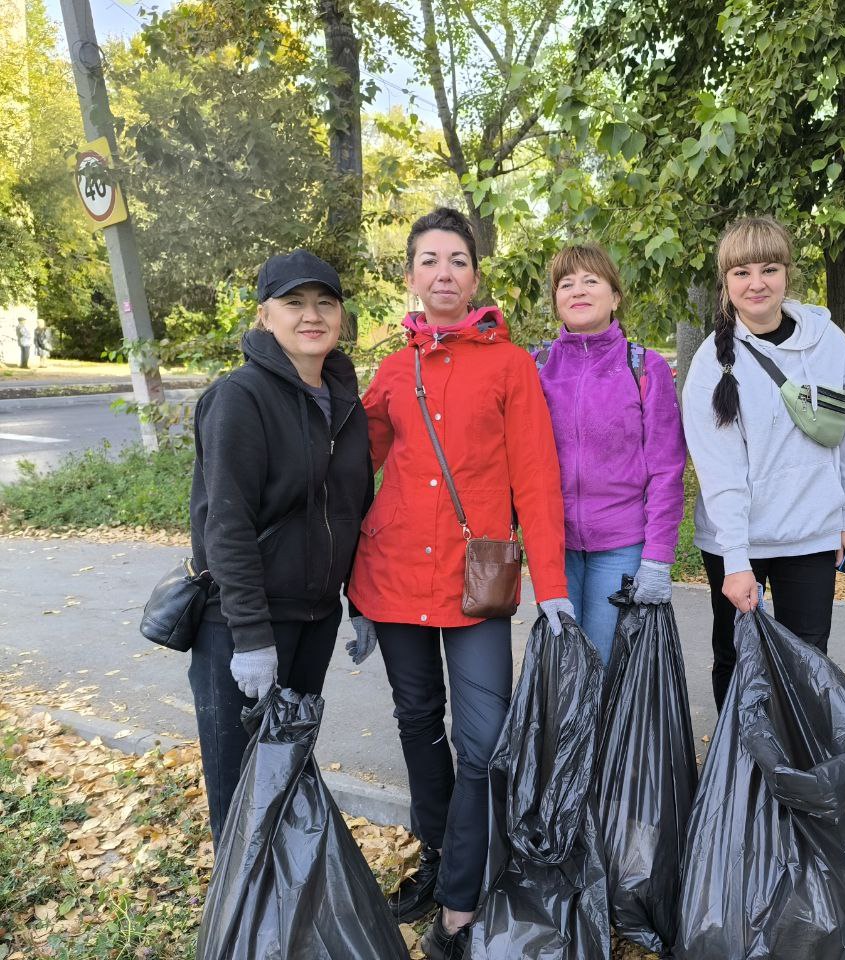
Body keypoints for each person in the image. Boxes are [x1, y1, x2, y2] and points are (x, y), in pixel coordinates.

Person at [342, 207, 572, 959]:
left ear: (476, 277)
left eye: (458, 261)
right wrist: (334, 574)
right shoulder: (391, 367)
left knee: (482, 741)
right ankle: (438, 851)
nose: (444, 273)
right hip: (393, 573)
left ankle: (463, 900)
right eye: (429, 260)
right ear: (410, 275)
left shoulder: (509, 366)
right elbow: (352, 469)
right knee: (417, 722)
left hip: (478, 583)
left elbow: (537, 481)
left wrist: (555, 587)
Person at [188, 249, 372, 849]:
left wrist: (360, 600)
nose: (311, 315)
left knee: (286, 779)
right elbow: (227, 526)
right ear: (265, 315)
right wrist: (251, 638)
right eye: (294, 303)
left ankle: (283, 915)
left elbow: (352, 508)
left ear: (341, 316)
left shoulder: (343, 401)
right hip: (244, 626)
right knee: (241, 794)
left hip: (313, 622)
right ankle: (241, 929)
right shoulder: (239, 397)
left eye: (325, 302)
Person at [682, 215, 845, 710]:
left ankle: (802, 771)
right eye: (741, 272)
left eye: (768, 269)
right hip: (737, 540)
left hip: (811, 537)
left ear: (787, 274)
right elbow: (719, 472)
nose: (756, 284)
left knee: (808, 658)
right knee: (736, 657)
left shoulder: (829, 343)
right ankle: (740, 774)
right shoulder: (712, 364)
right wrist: (735, 561)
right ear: (726, 281)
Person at [534, 243, 686, 664]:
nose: (577, 291)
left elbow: (666, 470)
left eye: (590, 280)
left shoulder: (644, 366)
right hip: (556, 545)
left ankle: (603, 735)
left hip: (620, 544)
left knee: (602, 665)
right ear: (556, 301)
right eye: (566, 284)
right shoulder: (536, 366)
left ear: (615, 296)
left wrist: (658, 557)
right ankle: (566, 736)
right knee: (560, 666)